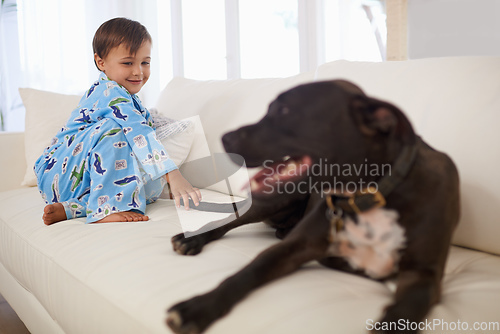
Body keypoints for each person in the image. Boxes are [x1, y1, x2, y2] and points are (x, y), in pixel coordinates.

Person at [35, 17, 201, 225]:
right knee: (116, 129)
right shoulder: (109, 92)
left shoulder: (132, 100)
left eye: (145, 63)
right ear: (100, 62)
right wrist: (172, 174)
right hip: (58, 172)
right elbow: (139, 132)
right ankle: (105, 210)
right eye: (128, 63)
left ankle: (72, 208)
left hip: (77, 184)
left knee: (144, 182)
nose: (138, 71)